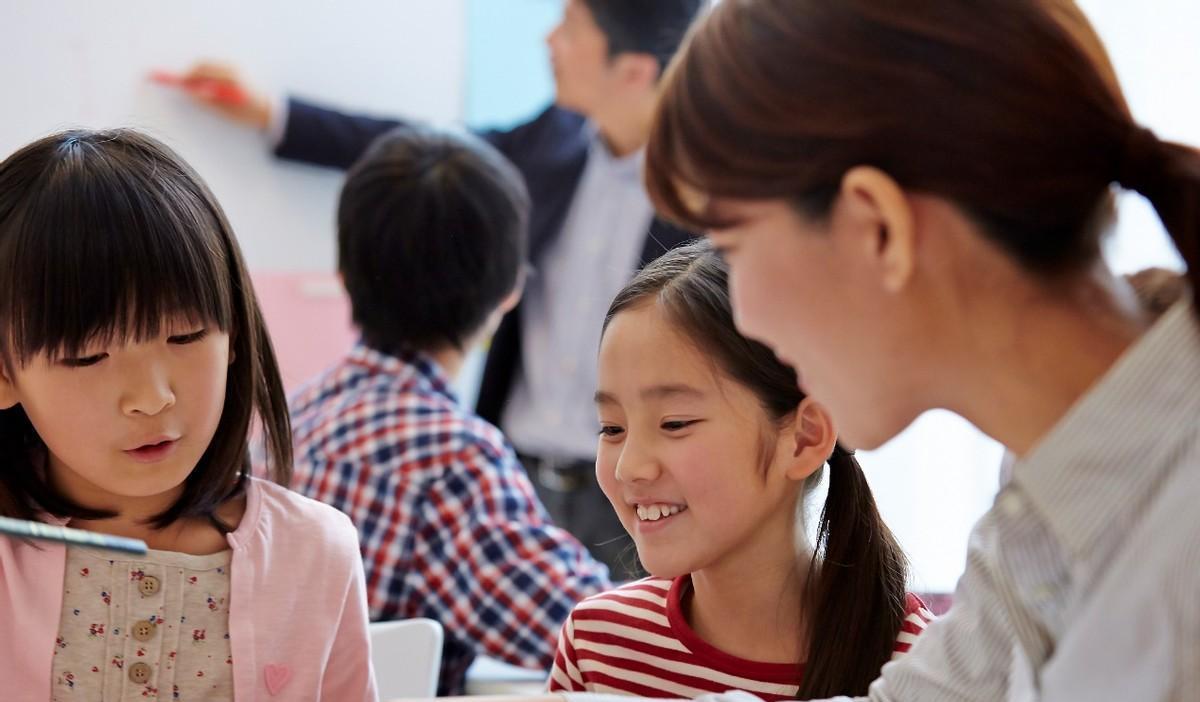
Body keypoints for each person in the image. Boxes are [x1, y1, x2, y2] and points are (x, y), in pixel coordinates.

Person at [636, 0, 1200, 699]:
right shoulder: (1056, 475)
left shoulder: (1178, 559)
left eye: (735, 248)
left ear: (878, 229)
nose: (744, 316)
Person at [180, 0, 707, 574]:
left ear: (633, 70)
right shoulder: (549, 142)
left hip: (639, 481)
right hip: (523, 466)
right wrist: (274, 115)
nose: (549, 41)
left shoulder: (715, 188)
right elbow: (426, 163)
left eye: (572, 29)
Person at [0, 129, 375, 701]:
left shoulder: (315, 551)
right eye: (88, 356)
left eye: (186, 335)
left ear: (234, 335)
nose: (152, 398)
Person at [289, 124, 612, 695]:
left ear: (343, 276)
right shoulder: (450, 458)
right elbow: (593, 633)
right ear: (510, 290)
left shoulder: (289, 417)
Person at [548, 241, 932, 699]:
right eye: (611, 428)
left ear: (804, 438)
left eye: (675, 423)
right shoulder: (598, 643)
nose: (630, 467)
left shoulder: (922, 665)